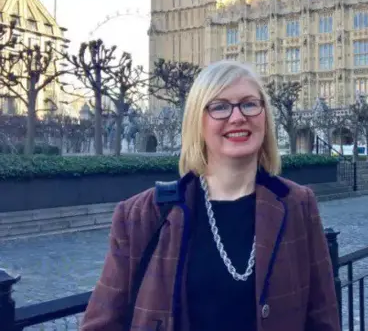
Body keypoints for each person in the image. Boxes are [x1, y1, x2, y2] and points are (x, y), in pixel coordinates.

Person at [82, 60, 340, 331]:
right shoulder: (141, 216)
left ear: (265, 116)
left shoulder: (298, 204)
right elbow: (101, 323)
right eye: (220, 107)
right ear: (197, 121)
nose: (238, 117)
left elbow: (322, 319)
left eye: (250, 104)